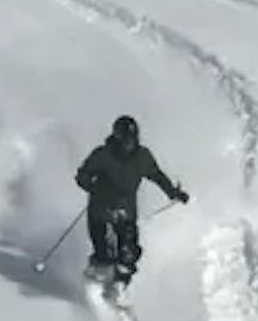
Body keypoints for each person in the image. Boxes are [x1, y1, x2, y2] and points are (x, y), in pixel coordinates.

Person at [73, 115, 186, 293]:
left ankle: (119, 285)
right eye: (125, 140)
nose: (129, 144)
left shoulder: (142, 157)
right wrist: (92, 186)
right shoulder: (103, 155)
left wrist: (173, 193)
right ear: (117, 139)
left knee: (129, 253)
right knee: (105, 254)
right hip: (100, 210)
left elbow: (156, 175)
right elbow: (82, 175)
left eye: (132, 140)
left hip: (127, 211)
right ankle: (94, 275)